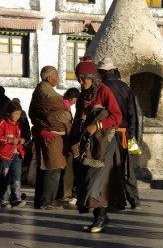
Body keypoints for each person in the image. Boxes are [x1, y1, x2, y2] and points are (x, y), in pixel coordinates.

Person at [69, 55, 126, 233]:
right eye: (78, 78)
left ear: (92, 78)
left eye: (83, 78)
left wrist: (97, 125)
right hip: (88, 146)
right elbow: (78, 119)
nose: (80, 81)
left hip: (104, 144)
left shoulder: (104, 91)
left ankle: (101, 217)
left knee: (97, 180)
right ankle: (99, 218)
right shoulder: (83, 96)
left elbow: (117, 116)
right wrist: (71, 142)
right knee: (87, 180)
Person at [97, 57, 143, 210]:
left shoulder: (101, 88)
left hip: (108, 133)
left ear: (101, 72)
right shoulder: (125, 88)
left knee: (109, 168)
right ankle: (134, 200)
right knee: (127, 168)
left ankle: (111, 199)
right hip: (126, 134)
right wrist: (132, 135)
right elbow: (133, 115)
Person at [28, 65, 72, 210]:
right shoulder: (48, 94)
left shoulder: (40, 91)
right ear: (49, 78)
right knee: (53, 168)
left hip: (44, 136)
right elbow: (62, 112)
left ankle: (40, 200)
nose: (57, 78)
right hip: (52, 138)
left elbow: (32, 113)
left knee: (43, 168)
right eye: (56, 76)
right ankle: (47, 201)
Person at [0, 101, 29, 209]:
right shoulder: (3, 123)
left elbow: (26, 136)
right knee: (4, 177)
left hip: (17, 154)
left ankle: (16, 197)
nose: (17, 116)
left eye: (19, 114)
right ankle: (4, 199)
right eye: (15, 114)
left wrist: (23, 140)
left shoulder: (20, 124)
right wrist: (9, 140)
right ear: (8, 113)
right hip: (4, 155)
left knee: (16, 177)